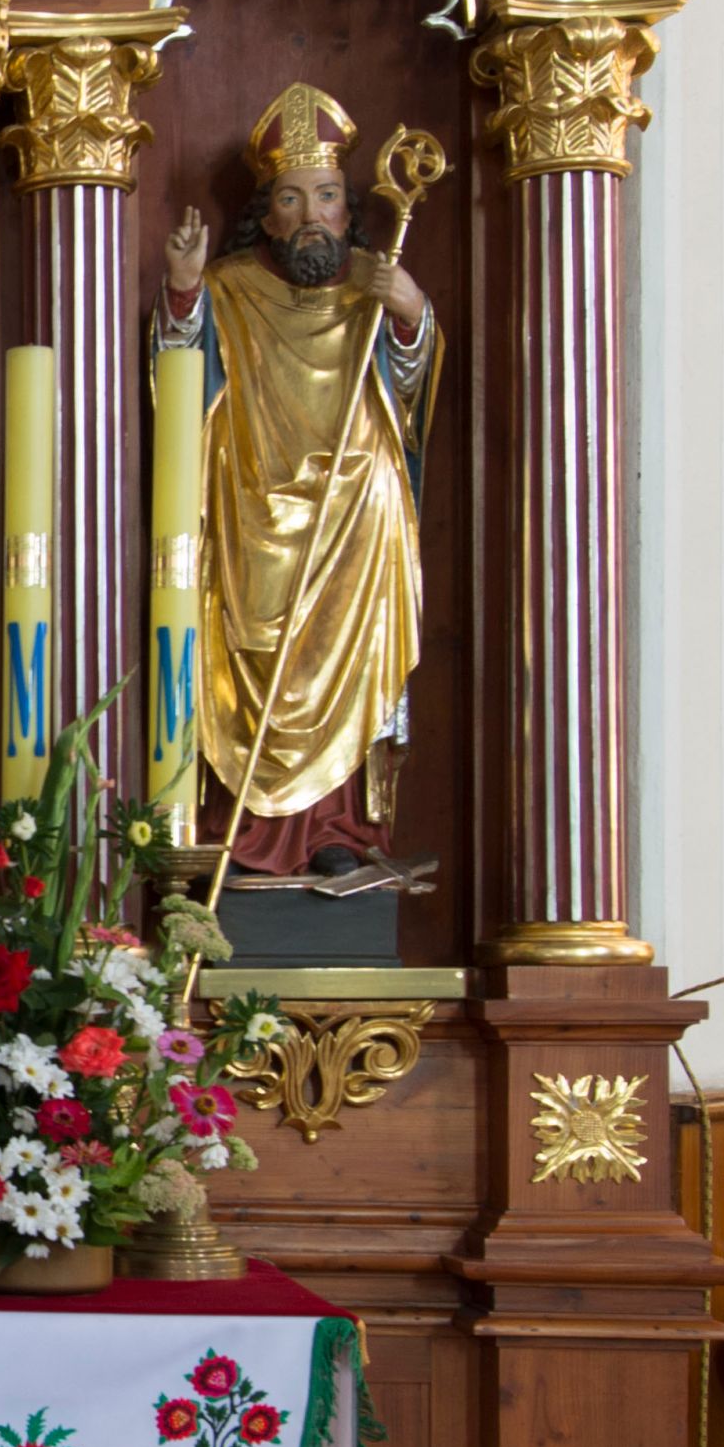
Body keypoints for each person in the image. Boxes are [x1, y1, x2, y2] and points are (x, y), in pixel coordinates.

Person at [156, 83, 439, 875]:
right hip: (253, 506)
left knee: (349, 658)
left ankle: (341, 831)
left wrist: (411, 316)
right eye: (290, 198)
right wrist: (184, 292)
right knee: (248, 658)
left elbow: (411, 396)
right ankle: (247, 832)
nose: (311, 214)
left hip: (358, 516)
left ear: (348, 209)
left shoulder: (377, 284)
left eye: (326, 196)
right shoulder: (230, 288)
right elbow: (182, 387)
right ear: (268, 215)